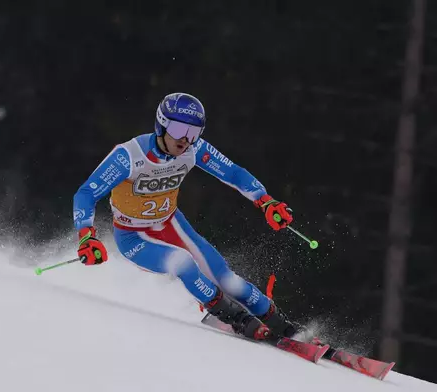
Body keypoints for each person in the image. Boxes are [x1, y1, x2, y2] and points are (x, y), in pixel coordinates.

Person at [72, 92, 300, 341]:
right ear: (161, 125)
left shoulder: (193, 150)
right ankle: (233, 316)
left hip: (172, 224)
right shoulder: (129, 156)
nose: (185, 140)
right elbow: (86, 193)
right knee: (183, 263)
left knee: (228, 280)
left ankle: (283, 325)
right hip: (134, 237)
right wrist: (86, 236)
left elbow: (233, 173)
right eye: (179, 129)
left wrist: (265, 201)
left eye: (193, 132)